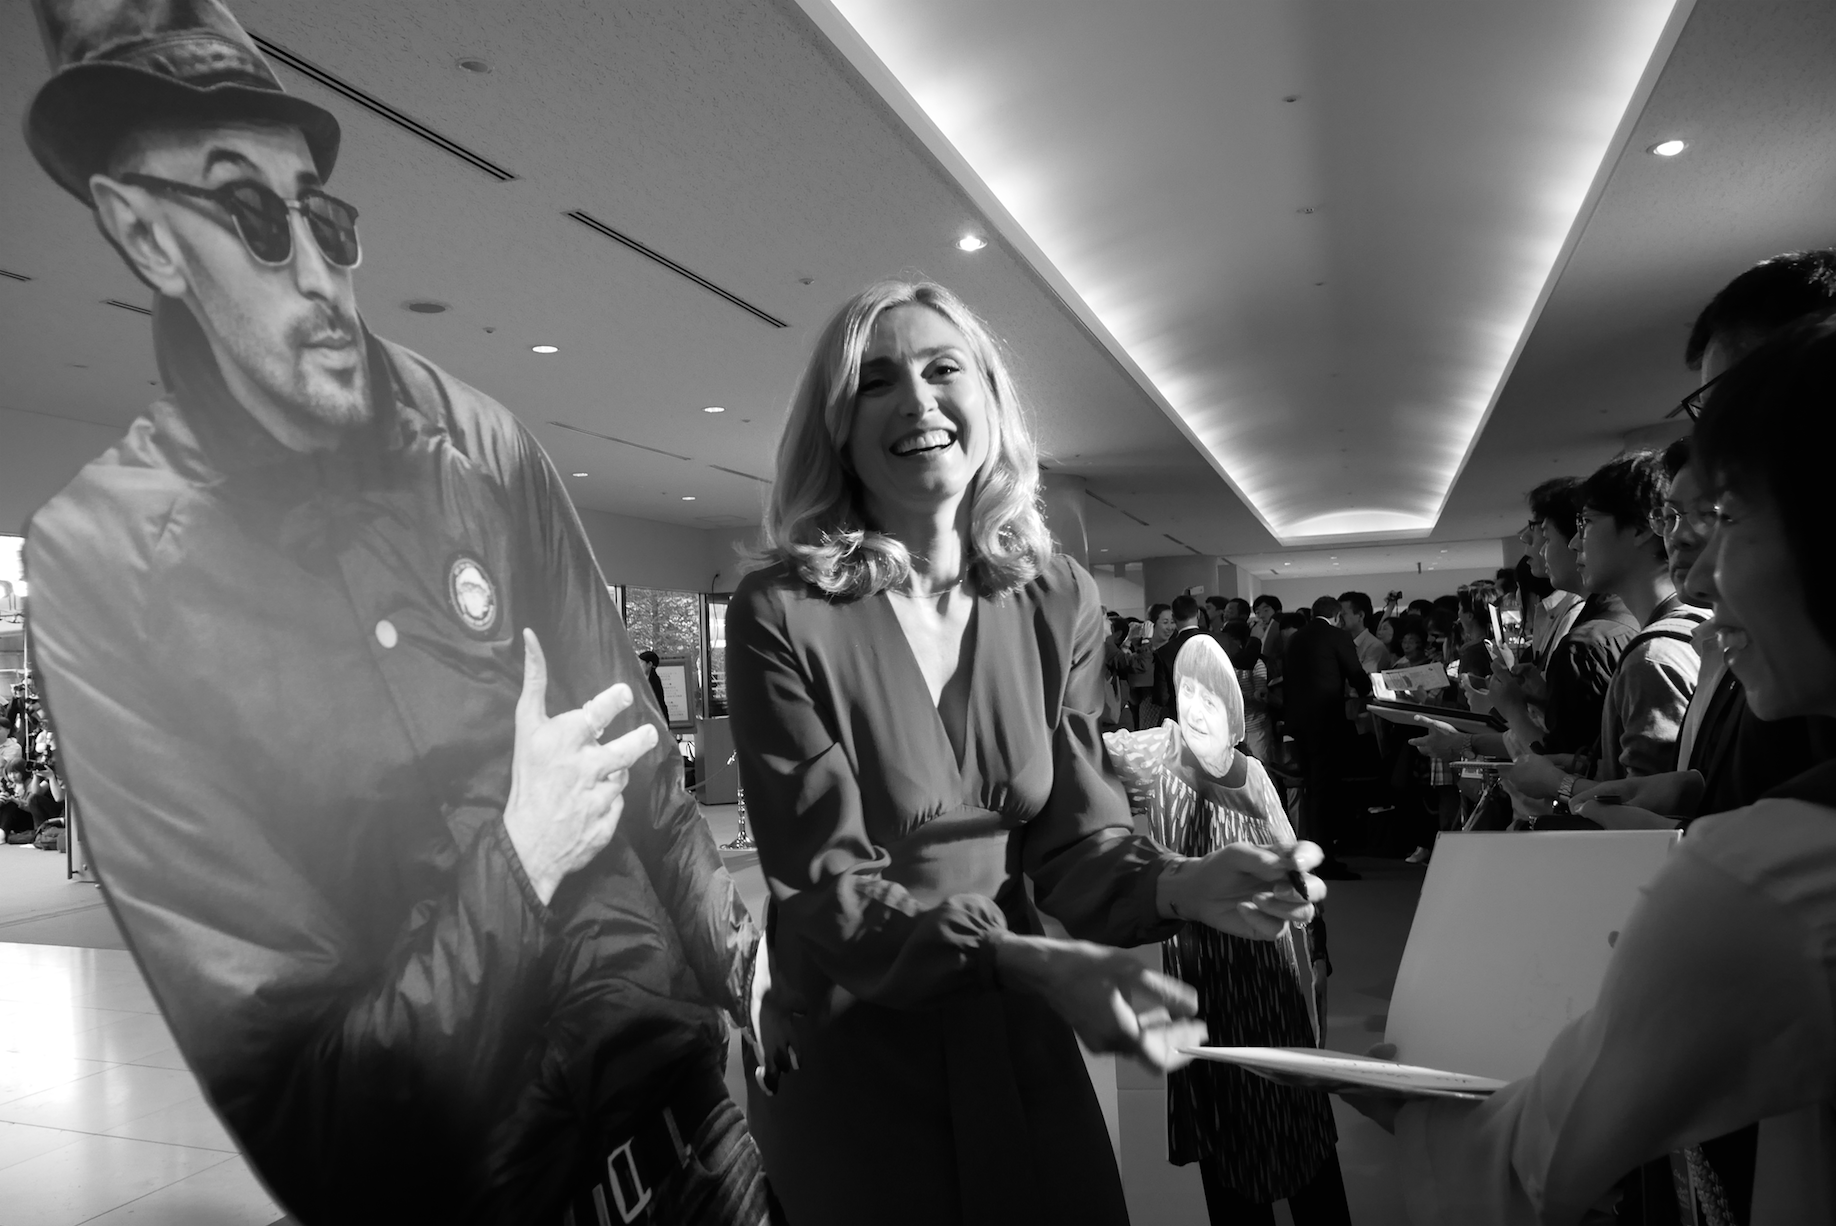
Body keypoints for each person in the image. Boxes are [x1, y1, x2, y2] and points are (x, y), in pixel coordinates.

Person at [19, 3, 769, 1220]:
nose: (317, 271)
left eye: (321, 214)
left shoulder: (479, 444)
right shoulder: (109, 577)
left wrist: (748, 968)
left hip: (702, 1147)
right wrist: (521, 858)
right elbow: (314, 1115)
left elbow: (646, 774)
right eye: (256, 221)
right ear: (142, 232)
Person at [726, 278, 1324, 1226]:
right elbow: (827, 886)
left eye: (941, 370)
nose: (917, 402)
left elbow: (1079, 838)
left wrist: (1185, 884)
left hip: (1017, 1023)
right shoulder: (783, 612)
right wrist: (1031, 964)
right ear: (838, 425)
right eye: (877, 382)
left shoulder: (1054, 598)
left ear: (990, 399)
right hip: (858, 1028)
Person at [1353, 309, 1836, 1226]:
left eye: (1727, 518)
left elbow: (1532, 1161)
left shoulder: (1764, 878)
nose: (1701, 576)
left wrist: (1411, 1105)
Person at [1105, 635, 1348, 1226]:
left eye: (1210, 699)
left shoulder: (1255, 774)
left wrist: (1315, 947)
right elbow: (1081, 754)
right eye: (1186, 693)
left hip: (1271, 975)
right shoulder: (1159, 752)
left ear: (1234, 713)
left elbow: (1294, 864)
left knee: (1293, 1109)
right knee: (1227, 1122)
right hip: (1207, 974)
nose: (1195, 709)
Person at [1283, 596, 1373, 879]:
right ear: (1336, 617)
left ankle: (1311, 853)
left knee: (1311, 788)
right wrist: (1369, 688)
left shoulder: (1296, 639)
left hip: (1298, 722)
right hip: (1325, 721)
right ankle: (1323, 859)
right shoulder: (1337, 635)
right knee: (1325, 790)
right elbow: (1356, 674)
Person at [1220, 619, 1275, 763]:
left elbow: (1260, 696)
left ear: (1238, 641)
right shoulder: (1225, 663)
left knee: (1262, 769)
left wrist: (1235, 694)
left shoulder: (1256, 664)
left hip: (1256, 727)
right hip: (1234, 729)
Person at [1154, 594, 1210, 721]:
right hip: (1213, 718)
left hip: (1182, 718)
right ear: (1199, 614)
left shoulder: (1164, 652)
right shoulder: (1221, 640)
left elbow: (1161, 697)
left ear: (1174, 618)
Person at [1337, 591, 1393, 676]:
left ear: (1360, 615)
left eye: (1343, 614)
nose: (1338, 619)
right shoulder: (1341, 643)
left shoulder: (1375, 647)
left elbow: (1361, 681)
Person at [637, 649, 670, 718]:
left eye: (640, 662)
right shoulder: (643, 679)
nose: (638, 665)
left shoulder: (654, 682)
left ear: (649, 664)